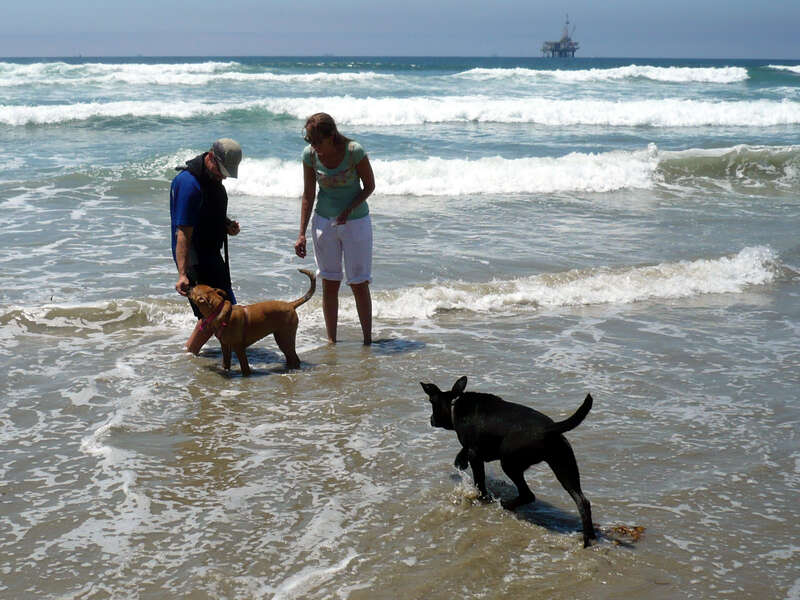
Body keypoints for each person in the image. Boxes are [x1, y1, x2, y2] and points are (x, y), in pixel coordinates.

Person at [294, 113, 376, 345]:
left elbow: (369, 186)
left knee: (359, 283)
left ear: (332, 135)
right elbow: (309, 194)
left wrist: (348, 210)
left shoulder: (354, 151)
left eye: (318, 141)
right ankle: (332, 341)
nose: (314, 147)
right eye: (310, 141)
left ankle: (367, 341)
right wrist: (301, 234)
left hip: (356, 222)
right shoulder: (310, 155)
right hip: (324, 222)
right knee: (329, 282)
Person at [170, 138, 243, 354]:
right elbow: (183, 232)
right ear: (211, 157)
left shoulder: (210, 177)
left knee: (220, 313)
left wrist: (226, 224)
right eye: (221, 170)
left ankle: (194, 354)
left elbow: (207, 214)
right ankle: (190, 353)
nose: (223, 176)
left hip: (210, 252)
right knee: (218, 313)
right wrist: (183, 273)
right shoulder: (189, 184)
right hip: (195, 257)